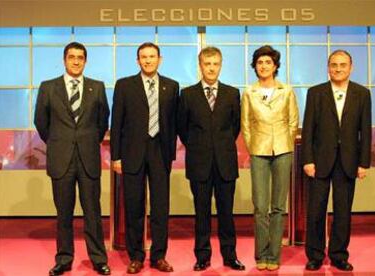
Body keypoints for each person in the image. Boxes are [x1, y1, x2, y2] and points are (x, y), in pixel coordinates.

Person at [34, 42, 111, 275]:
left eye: (80, 57)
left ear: (85, 61)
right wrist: (59, 142)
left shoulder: (96, 87)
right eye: (71, 57)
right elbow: (41, 122)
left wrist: (87, 141)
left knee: (93, 213)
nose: (76, 61)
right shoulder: (48, 87)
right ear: (64, 60)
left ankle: (98, 259)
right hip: (61, 159)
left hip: (88, 158)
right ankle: (64, 259)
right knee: (64, 214)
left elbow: (102, 122)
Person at [110, 42, 179, 274]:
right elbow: (116, 122)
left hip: (161, 154)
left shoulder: (172, 86)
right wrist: (116, 157)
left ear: (160, 59)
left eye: (152, 56)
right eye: (143, 57)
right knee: (134, 207)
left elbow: (173, 122)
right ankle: (136, 256)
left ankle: (159, 256)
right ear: (137, 60)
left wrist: (171, 152)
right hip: (131, 155)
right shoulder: (124, 85)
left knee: (161, 208)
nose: (148, 60)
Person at [302, 50, 371, 271]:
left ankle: (339, 255)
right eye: (334, 65)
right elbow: (308, 130)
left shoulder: (362, 93)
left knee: (343, 211)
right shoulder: (316, 93)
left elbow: (365, 131)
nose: (338, 69)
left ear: (351, 67)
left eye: (342, 65)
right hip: (320, 161)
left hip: (348, 162)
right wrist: (308, 160)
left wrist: (364, 163)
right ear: (328, 67)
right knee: (315, 211)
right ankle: (315, 255)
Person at [177, 46, 245, 271]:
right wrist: (200, 147)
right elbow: (182, 129)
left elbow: (235, 127)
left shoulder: (232, 93)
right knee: (202, 213)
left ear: (221, 65)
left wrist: (220, 146)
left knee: (227, 213)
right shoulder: (187, 94)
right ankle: (202, 256)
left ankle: (229, 255)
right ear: (200, 66)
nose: (211, 68)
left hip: (225, 163)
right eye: (207, 64)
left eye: (215, 63)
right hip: (199, 163)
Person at [241, 45, 299, 271]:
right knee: (260, 206)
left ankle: (274, 254)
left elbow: (293, 122)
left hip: (283, 149)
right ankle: (261, 254)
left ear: (275, 66)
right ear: (255, 66)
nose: (263, 66)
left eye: (267, 62)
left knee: (278, 206)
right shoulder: (249, 92)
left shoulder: (287, 90)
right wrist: (254, 146)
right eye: (259, 63)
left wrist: (285, 143)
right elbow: (246, 125)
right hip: (259, 151)